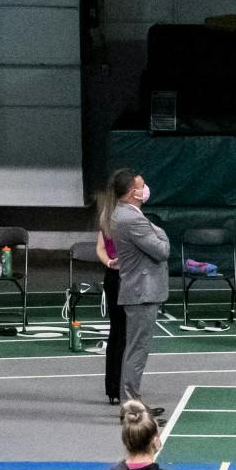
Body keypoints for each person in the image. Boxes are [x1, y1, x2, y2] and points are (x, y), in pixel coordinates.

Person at [108, 170, 168, 410]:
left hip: (136, 288)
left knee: (134, 349)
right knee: (137, 350)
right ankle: (131, 405)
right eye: (142, 186)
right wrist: (160, 232)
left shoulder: (122, 214)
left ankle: (133, 401)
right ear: (133, 193)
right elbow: (162, 250)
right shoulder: (133, 219)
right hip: (141, 292)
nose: (146, 189)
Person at [95, 171, 135, 407]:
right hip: (121, 277)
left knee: (120, 333)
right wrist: (110, 262)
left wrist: (110, 263)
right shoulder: (118, 216)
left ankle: (117, 387)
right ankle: (118, 387)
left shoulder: (113, 214)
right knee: (122, 333)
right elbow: (100, 247)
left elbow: (100, 247)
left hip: (120, 276)